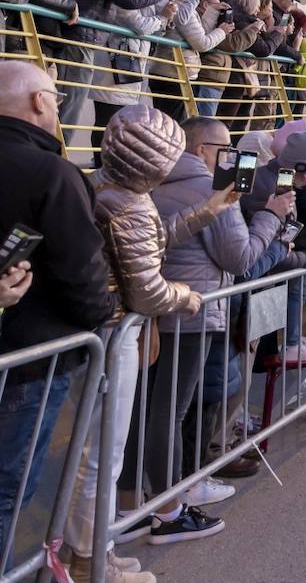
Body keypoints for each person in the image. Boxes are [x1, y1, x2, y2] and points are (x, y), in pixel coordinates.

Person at [70, 106, 219, 576]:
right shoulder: (129, 203)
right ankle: (93, 560)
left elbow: (147, 244)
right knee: (102, 456)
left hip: (102, 336)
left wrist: (206, 213)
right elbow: (146, 289)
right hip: (116, 338)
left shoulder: (102, 188)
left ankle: (90, 552)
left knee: (93, 452)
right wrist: (186, 296)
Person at [0, 63, 116, 565]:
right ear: (39, 103)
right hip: (33, 359)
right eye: (54, 94)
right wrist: (104, 314)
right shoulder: (52, 172)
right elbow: (83, 276)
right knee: (8, 489)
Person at [57, 0, 172, 139]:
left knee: (71, 106)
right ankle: (56, 160)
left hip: (83, 41)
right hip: (79, 41)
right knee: (69, 108)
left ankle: (57, 158)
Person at [88, 0, 177, 166]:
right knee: (107, 120)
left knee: (121, 122)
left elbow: (156, 27)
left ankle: (109, 164)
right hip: (113, 66)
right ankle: (101, 164)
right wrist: (162, 16)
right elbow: (141, 26)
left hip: (130, 65)